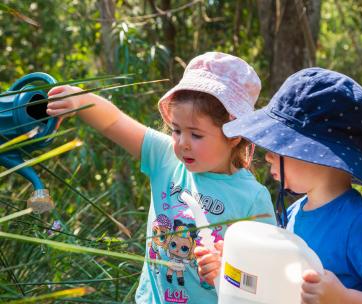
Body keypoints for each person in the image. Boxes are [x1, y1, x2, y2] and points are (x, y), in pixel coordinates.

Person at [47, 52, 277, 304]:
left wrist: (226, 270)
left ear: (234, 134)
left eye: (196, 135)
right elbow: (114, 122)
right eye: (176, 130)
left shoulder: (252, 198)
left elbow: (266, 278)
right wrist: (80, 99)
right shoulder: (166, 158)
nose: (182, 143)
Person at [195, 67, 362, 304]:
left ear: (321, 155)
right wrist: (230, 268)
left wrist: (345, 298)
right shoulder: (293, 214)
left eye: (280, 146)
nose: (268, 156)